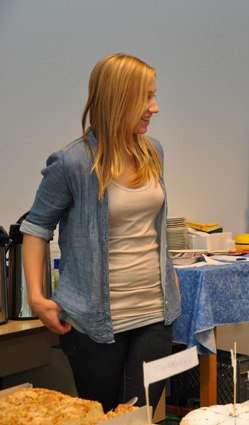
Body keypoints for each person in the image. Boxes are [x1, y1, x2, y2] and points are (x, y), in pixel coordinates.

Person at [20, 54, 181, 413]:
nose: (155, 107)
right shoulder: (72, 162)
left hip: (155, 314)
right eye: (147, 97)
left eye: (154, 96)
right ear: (119, 99)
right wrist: (35, 297)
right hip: (94, 322)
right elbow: (36, 227)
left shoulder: (153, 151)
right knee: (103, 417)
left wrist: (169, 274)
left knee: (139, 416)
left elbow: (151, 226)